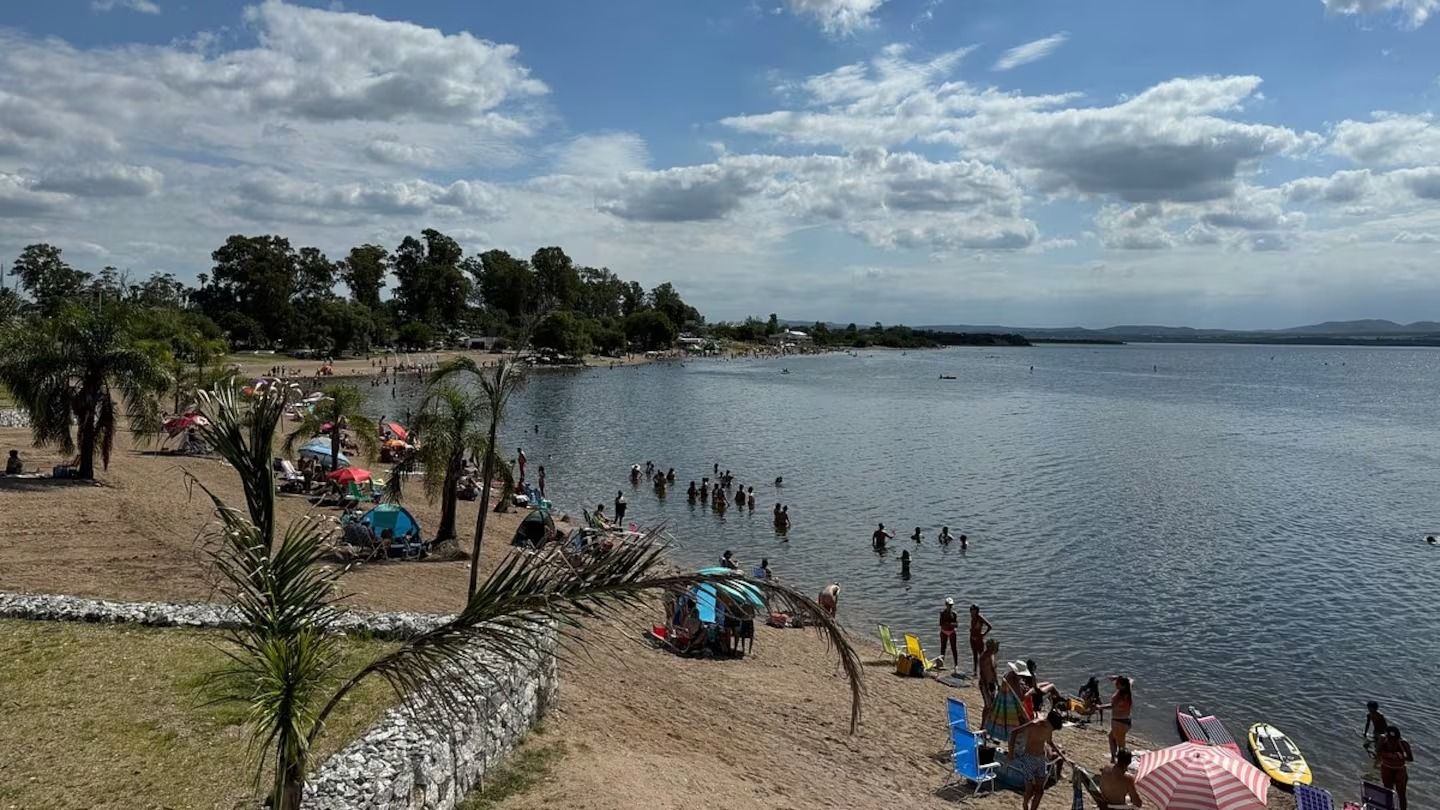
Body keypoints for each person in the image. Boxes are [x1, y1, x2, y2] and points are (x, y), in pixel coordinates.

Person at [1007, 710, 1066, 810]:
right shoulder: (1034, 724)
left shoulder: (1049, 729)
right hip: (1029, 758)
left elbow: (1049, 742)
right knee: (1030, 791)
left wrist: (1062, 755)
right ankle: (1025, 805)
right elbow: (1014, 733)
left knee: (1040, 791)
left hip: (1041, 758)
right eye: (1052, 728)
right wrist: (1010, 753)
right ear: (1048, 721)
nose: (1051, 730)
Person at [1377, 725, 1413, 809]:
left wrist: (1399, 756)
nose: (1392, 741)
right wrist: (1388, 755)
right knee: (1388, 792)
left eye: (1394, 739)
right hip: (1386, 768)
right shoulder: (1383, 740)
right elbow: (1378, 752)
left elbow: (1410, 758)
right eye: (1390, 739)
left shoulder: (1403, 743)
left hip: (1399, 770)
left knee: (1401, 794)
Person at [1100, 675, 1134, 761]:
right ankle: (1113, 757)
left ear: (1122, 685)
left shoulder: (1120, 696)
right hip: (1126, 721)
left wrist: (1099, 707)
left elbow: (1112, 706)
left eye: (1118, 684)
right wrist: (1117, 678)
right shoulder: (1128, 690)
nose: (1116, 685)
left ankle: (1121, 762)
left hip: (1118, 721)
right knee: (1112, 737)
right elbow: (1130, 679)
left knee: (1121, 744)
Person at [968, 604, 993, 675]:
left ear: (977, 610)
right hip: (972, 638)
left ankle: (983, 672)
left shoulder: (980, 617)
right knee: (974, 655)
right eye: (971, 610)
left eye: (974, 610)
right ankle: (975, 671)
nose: (972, 612)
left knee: (982, 656)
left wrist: (984, 634)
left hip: (979, 639)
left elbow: (990, 626)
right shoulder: (972, 617)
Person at [978, 639, 1000, 712]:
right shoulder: (984, 658)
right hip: (986, 683)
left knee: (992, 704)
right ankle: (985, 722)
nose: (997, 649)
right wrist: (985, 685)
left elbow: (994, 672)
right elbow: (982, 673)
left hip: (991, 683)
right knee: (988, 706)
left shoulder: (991, 656)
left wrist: (997, 683)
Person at [939, 598, 960, 668]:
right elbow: (940, 623)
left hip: (951, 631)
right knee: (943, 648)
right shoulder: (942, 613)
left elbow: (957, 624)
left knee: (954, 648)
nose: (950, 606)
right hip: (944, 631)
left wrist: (950, 624)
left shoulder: (954, 613)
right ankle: (942, 663)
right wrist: (949, 624)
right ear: (946, 605)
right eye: (949, 605)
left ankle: (956, 664)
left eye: (951, 605)